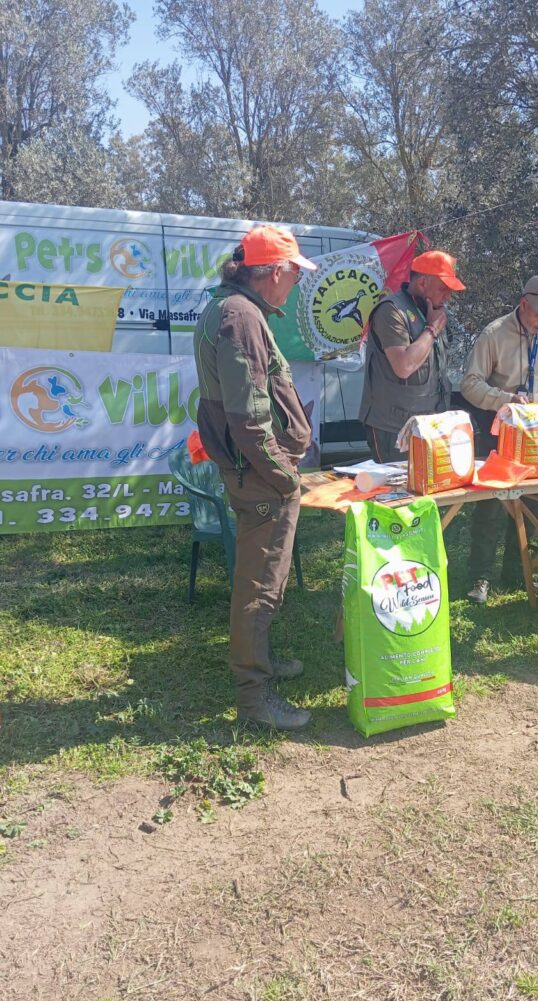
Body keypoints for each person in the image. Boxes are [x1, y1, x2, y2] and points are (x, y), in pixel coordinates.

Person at [193, 224, 317, 730]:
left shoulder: (235, 309)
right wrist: (286, 477)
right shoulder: (240, 317)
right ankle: (254, 697)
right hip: (261, 478)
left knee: (267, 581)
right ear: (272, 273)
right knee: (258, 588)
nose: (296, 283)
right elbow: (249, 420)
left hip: (257, 473)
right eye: (294, 273)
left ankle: (261, 664)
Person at [460, 275, 538, 604]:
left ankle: (517, 573)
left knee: (531, 506)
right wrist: (505, 399)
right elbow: (469, 384)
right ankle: (480, 577)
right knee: (490, 506)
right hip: (501, 432)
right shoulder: (494, 334)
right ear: (524, 304)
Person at [358, 250, 465, 463]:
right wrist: (432, 330)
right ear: (423, 283)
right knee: (398, 494)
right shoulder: (391, 311)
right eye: (443, 289)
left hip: (430, 426)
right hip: (394, 430)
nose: (448, 296)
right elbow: (404, 366)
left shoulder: (432, 310)